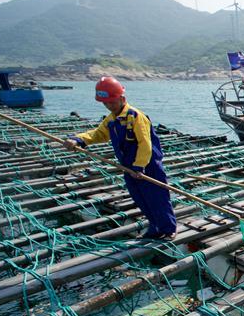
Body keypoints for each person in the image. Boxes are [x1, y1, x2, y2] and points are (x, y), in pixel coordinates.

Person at [64, 76, 176, 240]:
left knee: (157, 197)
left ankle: (168, 229)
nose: (109, 106)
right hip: (128, 166)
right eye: (106, 103)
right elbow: (99, 134)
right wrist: (79, 139)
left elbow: (145, 144)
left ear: (122, 98)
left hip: (148, 165)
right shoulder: (111, 120)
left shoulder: (136, 116)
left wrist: (139, 166)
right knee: (141, 199)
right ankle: (155, 228)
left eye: (112, 102)